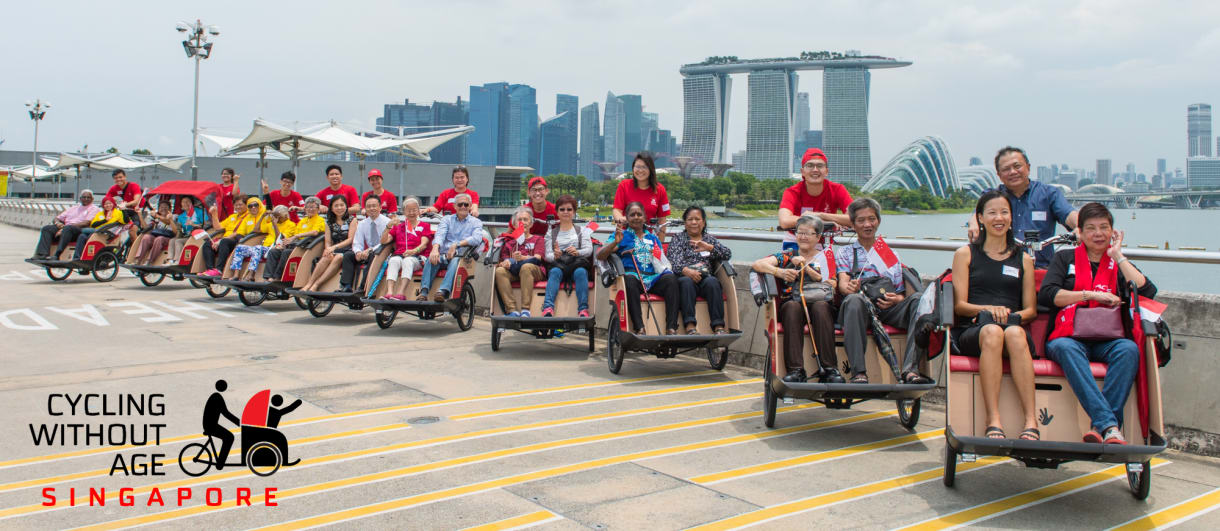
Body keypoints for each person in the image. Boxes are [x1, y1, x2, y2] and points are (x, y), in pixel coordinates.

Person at [1040, 202, 1157, 445]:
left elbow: (1147, 291)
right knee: (1066, 349)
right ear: (1080, 233)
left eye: (1104, 227)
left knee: (1129, 350)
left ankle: (1101, 426)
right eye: (1091, 228)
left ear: (1113, 232)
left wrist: (1119, 256)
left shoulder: (1117, 263)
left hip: (1108, 340)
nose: (1098, 233)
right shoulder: (1064, 258)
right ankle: (1110, 426)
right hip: (1068, 337)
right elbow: (1048, 295)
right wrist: (1090, 295)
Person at [951, 191, 1040, 441]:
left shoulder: (1023, 258)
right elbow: (959, 305)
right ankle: (993, 420)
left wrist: (1010, 316)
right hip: (975, 329)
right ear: (980, 218)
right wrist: (988, 311)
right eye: (991, 212)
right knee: (992, 331)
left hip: (1014, 327)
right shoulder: (965, 254)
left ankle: (1031, 421)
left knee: (1012, 333)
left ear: (1011, 218)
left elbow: (1031, 310)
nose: (998, 218)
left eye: (1004, 212)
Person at [836, 198, 935, 384]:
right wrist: (850, 288)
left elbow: (900, 291)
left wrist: (897, 299)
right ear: (853, 225)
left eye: (872, 219)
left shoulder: (889, 254)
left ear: (878, 221)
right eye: (861, 220)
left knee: (919, 301)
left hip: (887, 308)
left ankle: (910, 369)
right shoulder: (845, 253)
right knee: (853, 301)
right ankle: (859, 373)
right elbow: (843, 284)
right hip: (860, 308)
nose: (867, 224)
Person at [752, 215, 843, 383]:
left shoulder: (826, 257)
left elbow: (832, 284)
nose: (803, 237)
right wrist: (780, 272)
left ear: (818, 237)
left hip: (819, 300)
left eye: (808, 233)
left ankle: (830, 368)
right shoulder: (788, 255)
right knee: (792, 307)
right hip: (793, 301)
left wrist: (806, 269)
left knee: (821, 307)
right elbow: (758, 264)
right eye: (800, 233)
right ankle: (796, 370)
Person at [967, 146, 1078, 267]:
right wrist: (974, 224)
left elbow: (1068, 214)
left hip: (1042, 267)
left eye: (1017, 166)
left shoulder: (1048, 194)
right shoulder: (992, 196)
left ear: (1028, 167)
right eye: (1006, 169)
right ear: (999, 174)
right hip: (1003, 267)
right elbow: (977, 215)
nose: (1013, 172)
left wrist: (1080, 226)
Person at [596, 201, 680, 335]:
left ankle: (672, 327)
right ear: (627, 218)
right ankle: (639, 327)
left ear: (645, 218)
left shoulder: (653, 238)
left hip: (652, 278)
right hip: (632, 277)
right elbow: (600, 255)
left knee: (671, 279)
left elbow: (661, 261)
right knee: (629, 280)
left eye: (639, 214)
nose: (636, 217)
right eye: (632, 215)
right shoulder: (621, 235)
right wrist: (615, 243)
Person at [667, 206, 732, 335]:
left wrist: (710, 248)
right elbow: (673, 261)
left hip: (705, 277)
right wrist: (687, 271)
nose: (694, 222)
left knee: (713, 282)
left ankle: (718, 326)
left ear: (703, 222)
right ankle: (690, 325)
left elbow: (727, 254)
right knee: (686, 283)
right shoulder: (678, 239)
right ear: (685, 222)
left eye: (697, 219)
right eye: (690, 219)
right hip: (684, 276)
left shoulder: (708, 239)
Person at [779, 148, 852, 250]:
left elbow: (855, 218)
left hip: (824, 243)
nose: (815, 169)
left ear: (826, 171)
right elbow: (785, 221)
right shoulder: (792, 192)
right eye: (810, 165)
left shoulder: (837, 189)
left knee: (824, 265)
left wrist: (819, 215)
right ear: (802, 172)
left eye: (820, 166)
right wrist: (821, 221)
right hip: (796, 243)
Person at [419, 193, 484, 301]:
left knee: (456, 261)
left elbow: (477, 238)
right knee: (432, 258)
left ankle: (443, 291)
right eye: (460, 204)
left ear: (470, 206)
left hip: (462, 256)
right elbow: (440, 234)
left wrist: (456, 244)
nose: (463, 207)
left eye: (466, 204)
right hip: (444, 254)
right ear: (455, 206)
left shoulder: (476, 222)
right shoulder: (447, 219)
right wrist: (435, 249)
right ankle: (424, 292)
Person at [542, 195, 593, 318]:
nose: (566, 212)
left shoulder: (582, 231)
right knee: (554, 272)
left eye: (569, 209)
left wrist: (577, 252)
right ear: (557, 212)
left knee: (581, 272)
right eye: (562, 209)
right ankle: (548, 308)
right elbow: (547, 255)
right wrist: (555, 255)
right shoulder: (551, 233)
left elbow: (589, 250)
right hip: (559, 264)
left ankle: (583, 309)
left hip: (577, 264)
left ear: (574, 212)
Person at [494, 207, 546, 316]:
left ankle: (525, 309)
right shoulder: (509, 243)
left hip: (534, 271)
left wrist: (522, 258)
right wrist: (505, 263)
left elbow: (538, 258)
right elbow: (503, 260)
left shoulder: (538, 239)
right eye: (519, 220)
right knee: (499, 271)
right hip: (515, 272)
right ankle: (512, 310)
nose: (522, 222)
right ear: (514, 224)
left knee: (526, 267)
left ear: (531, 223)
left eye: (525, 220)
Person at [380, 197, 433, 300]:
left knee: (408, 261)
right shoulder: (398, 227)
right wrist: (388, 226)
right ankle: (390, 292)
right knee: (394, 260)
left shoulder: (425, 225)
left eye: (414, 210)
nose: (412, 212)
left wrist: (413, 251)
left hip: (418, 257)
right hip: (400, 255)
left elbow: (424, 244)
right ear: (404, 212)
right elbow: (384, 241)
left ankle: (401, 292)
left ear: (418, 211)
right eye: (409, 210)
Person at [301, 195, 356, 292]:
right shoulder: (329, 222)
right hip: (334, 249)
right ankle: (309, 283)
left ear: (346, 206)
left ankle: (316, 284)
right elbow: (328, 241)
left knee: (339, 257)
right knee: (327, 256)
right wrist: (328, 249)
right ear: (331, 208)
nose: (339, 208)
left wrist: (333, 248)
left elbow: (350, 239)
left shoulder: (352, 220)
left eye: (342, 205)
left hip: (349, 250)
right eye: (336, 206)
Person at [262, 197, 325, 281]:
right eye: (308, 207)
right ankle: (268, 277)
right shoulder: (303, 221)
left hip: (308, 246)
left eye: (313, 207)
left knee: (286, 252)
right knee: (274, 251)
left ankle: (278, 277)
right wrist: (283, 244)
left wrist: (296, 237)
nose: (310, 209)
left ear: (318, 209)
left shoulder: (320, 220)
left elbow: (315, 232)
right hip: (297, 244)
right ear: (305, 209)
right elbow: (294, 235)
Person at [338, 196, 390, 293]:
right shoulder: (362, 223)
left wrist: (369, 250)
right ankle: (347, 286)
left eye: (374, 206)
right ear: (365, 209)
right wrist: (358, 252)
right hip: (366, 252)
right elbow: (357, 241)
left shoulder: (387, 222)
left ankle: (363, 287)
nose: (371, 208)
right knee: (348, 255)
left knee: (372, 255)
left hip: (382, 252)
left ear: (380, 207)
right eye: (368, 206)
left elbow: (384, 243)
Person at [612, 153, 670, 240]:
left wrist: (660, 245)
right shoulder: (624, 185)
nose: (640, 170)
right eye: (637, 167)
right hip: (625, 236)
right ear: (633, 168)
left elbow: (662, 220)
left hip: (648, 238)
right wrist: (620, 218)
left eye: (644, 167)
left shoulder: (660, 189)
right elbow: (617, 210)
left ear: (651, 169)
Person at [230, 204, 293, 282]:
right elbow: (256, 230)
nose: (277, 218)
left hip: (274, 248)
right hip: (263, 248)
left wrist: (275, 225)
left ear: (285, 216)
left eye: (279, 216)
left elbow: (279, 239)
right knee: (240, 248)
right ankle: (236, 275)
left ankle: (251, 274)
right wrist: (262, 217)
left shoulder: (290, 225)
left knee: (258, 248)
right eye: (275, 215)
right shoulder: (270, 224)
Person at [33, 189, 100, 259]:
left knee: (68, 228)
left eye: (88, 197)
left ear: (92, 199)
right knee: (47, 228)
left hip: (78, 229)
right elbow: (57, 218)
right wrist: (57, 223)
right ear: (80, 199)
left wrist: (65, 228)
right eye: (84, 197)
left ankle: (57, 255)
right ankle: (42, 254)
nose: (86, 199)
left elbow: (87, 222)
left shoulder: (94, 209)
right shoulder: (74, 208)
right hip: (65, 227)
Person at [200, 195, 250, 277]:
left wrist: (220, 241)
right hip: (226, 239)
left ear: (246, 205)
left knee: (224, 241)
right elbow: (218, 227)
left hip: (239, 240)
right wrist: (214, 214)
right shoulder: (232, 217)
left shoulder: (248, 216)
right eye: (236, 205)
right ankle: (210, 269)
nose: (238, 207)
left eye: (240, 204)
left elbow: (238, 233)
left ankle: (219, 270)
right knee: (208, 244)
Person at [68, 197, 125, 261]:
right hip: (97, 231)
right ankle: (77, 258)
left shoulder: (118, 213)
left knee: (82, 231)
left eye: (110, 203)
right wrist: (104, 220)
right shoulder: (100, 213)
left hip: (107, 233)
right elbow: (93, 224)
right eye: (106, 204)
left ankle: (76, 230)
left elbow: (124, 222)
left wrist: (123, 210)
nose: (108, 205)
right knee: (82, 236)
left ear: (113, 204)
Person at [201, 379, 240, 470]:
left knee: (228, 437)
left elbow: (225, 413)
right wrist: (240, 423)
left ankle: (220, 462)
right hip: (211, 426)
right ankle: (220, 464)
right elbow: (226, 413)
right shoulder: (217, 398)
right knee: (230, 437)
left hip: (210, 424)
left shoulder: (215, 396)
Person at [131, 200, 177, 266]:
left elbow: (168, 222)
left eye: (165, 207)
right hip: (157, 236)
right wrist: (140, 216)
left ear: (170, 208)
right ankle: (138, 259)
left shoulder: (174, 216)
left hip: (169, 238)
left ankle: (150, 261)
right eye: (161, 207)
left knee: (159, 239)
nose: (163, 209)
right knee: (146, 237)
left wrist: (157, 216)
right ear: (158, 209)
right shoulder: (156, 218)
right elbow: (146, 228)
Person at [103, 169, 143, 244]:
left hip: (137, 211)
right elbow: (106, 200)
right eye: (116, 178)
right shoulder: (114, 188)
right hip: (125, 211)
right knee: (113, 229)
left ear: (125, 177)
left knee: (132, 232)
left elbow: (136, 201)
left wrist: (125, 204)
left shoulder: (134, 186)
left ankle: (136, 252)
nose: (118, 179)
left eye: (120, 177)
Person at [167, 196, 207, 264]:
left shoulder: (200, 212)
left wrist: (194, 225)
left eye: (188, 201)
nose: (186, 203)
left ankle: (177, 260)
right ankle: (170, 259)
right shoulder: (181, 216)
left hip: (197, 235)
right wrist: (171, 220)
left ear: (192, 203)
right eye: (183, 202)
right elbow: (178, 230)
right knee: (172, 240)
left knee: (178, 241)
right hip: (186, 236)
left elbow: (206, 225)